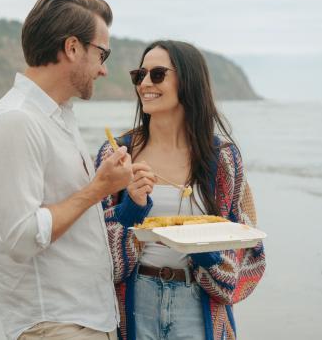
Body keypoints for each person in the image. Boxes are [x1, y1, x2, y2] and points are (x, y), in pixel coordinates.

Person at [0, 0, 134, 340]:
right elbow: (21, 236)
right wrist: (98, 189)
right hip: (56, 324)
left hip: (85, 318)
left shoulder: (56, 116)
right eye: (102, 54)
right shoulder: (16, 121)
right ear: (72, 48)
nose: (103, 70)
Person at [95, 40, 266, 340]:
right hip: (135, 303)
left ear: (187, 81)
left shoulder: (223, 159)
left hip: (197, 306)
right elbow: (93, 252)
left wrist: (203, 252)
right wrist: (131, 208)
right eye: (140, 75)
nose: (145, 83)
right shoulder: (117, 154)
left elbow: (248, 252)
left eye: (158, 74)